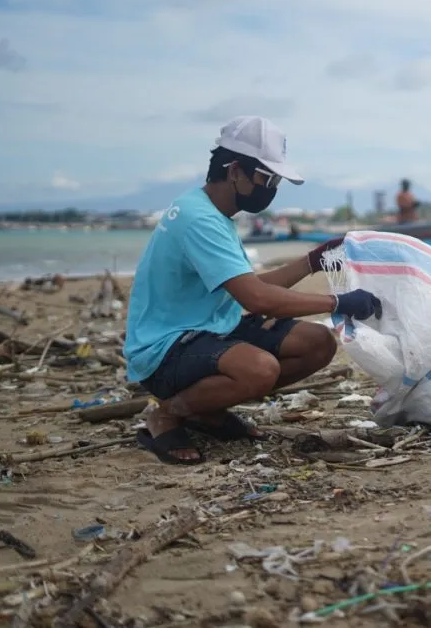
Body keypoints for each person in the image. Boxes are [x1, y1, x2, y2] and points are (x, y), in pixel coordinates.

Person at [124, 116, 381, 465]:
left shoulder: (212, 211)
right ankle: (167, 414)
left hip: (211, 329)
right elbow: (257, 299)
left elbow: (250, 286)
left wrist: (313, 261)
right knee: (259, 369)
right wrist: (338, 302)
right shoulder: (199, 219)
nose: (271, 188)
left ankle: (205, 411)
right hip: (166, 348)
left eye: (275, 180)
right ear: (234, 171)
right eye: (266, 177)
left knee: (317, 344)